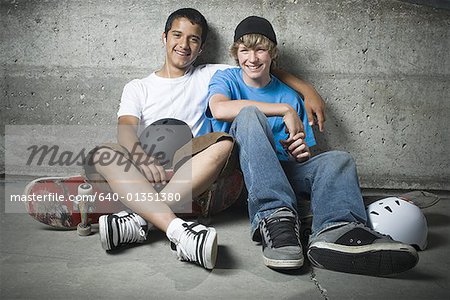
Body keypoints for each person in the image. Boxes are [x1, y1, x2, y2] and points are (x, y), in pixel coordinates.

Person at [83, 8, 326, 270]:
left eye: (194, 39)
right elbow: (126, 129)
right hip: (146, 164)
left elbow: (260, 65)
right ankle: (178, 231)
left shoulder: (210, 74)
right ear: (164, 37)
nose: (184, 45)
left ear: (201, 48)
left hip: (191, 166)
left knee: (225, 144)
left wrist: (308, 90)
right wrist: (141, 158)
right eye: (177, 35)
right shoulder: (138, 87)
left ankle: (140, 218)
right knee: (102, 154)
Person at [207, 16, 419, 276]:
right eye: (244, 50)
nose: (252, 58)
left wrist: (300, 153)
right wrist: (282, 111)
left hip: (281, 175)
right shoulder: (226, 79)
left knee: (338, 160)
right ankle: (275, 219)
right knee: (250, 115)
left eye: (260, 49)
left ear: (272, 53)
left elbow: (300, 157)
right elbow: (219, 108)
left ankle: (337, 232)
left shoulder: (290, 95)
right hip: (241, 180)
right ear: (236, 54)